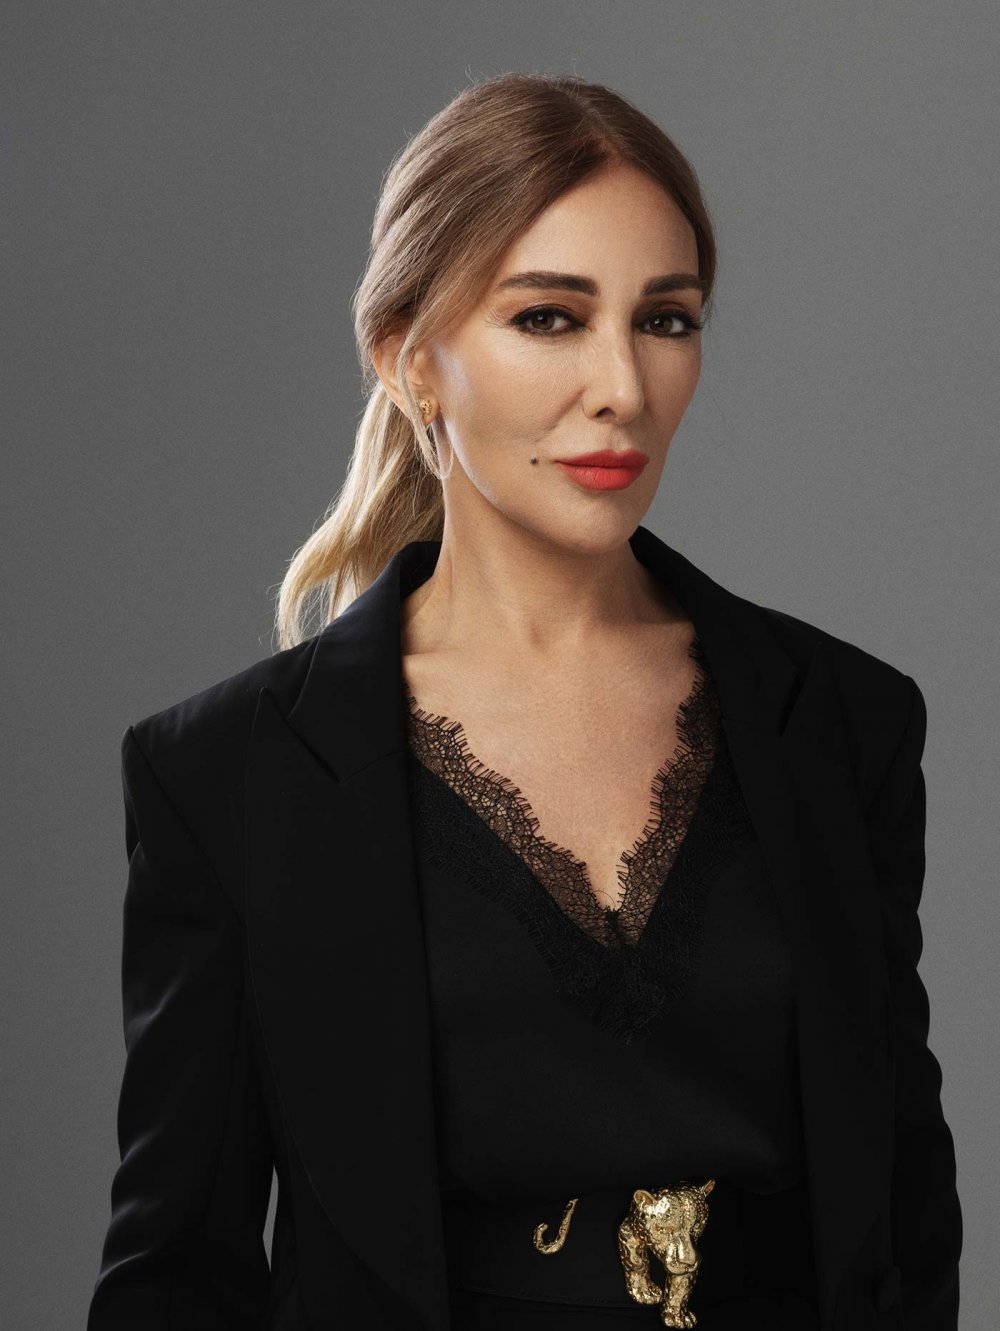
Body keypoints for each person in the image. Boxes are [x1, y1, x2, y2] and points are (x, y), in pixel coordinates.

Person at [87, 73, 961, 1331]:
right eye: (549, 317)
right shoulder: (231, 775)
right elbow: (177, 1271)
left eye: (665, 319)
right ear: (409, 360)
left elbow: (903, 1219)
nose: (623, 386)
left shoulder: (841, 722)